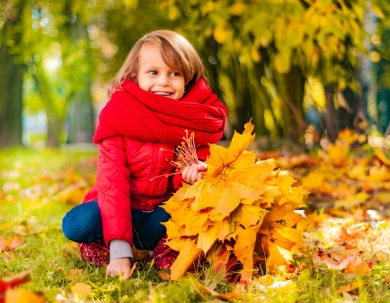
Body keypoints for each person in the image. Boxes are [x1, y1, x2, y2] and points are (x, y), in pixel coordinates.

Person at [62, 30, 227, 280]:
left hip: (160, 216)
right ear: (134, 76)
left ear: (187, 79)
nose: (163, 81)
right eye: (153, 72)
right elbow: (112, 183)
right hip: (119, 208)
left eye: (174, 73)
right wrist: (120, 253)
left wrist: (189, 177)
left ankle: (167, 249)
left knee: (197, 206)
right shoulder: (119, 115)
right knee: (77, 223)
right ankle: (103, 245)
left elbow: (185, 186)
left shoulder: (191, 119)